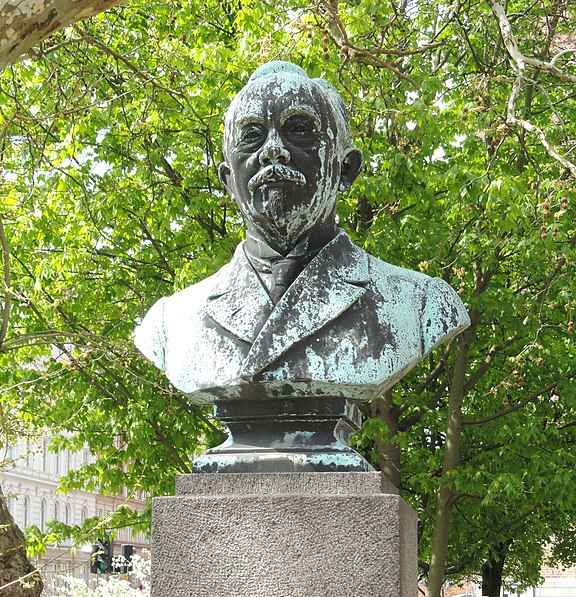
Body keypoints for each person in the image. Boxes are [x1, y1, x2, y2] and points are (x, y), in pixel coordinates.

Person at [135, 61, 469, 406]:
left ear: (346, 170)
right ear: (228, 180)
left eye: (298, 130)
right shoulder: (171, 323)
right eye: (252, 136)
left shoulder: (421, 303)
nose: (272, 150)